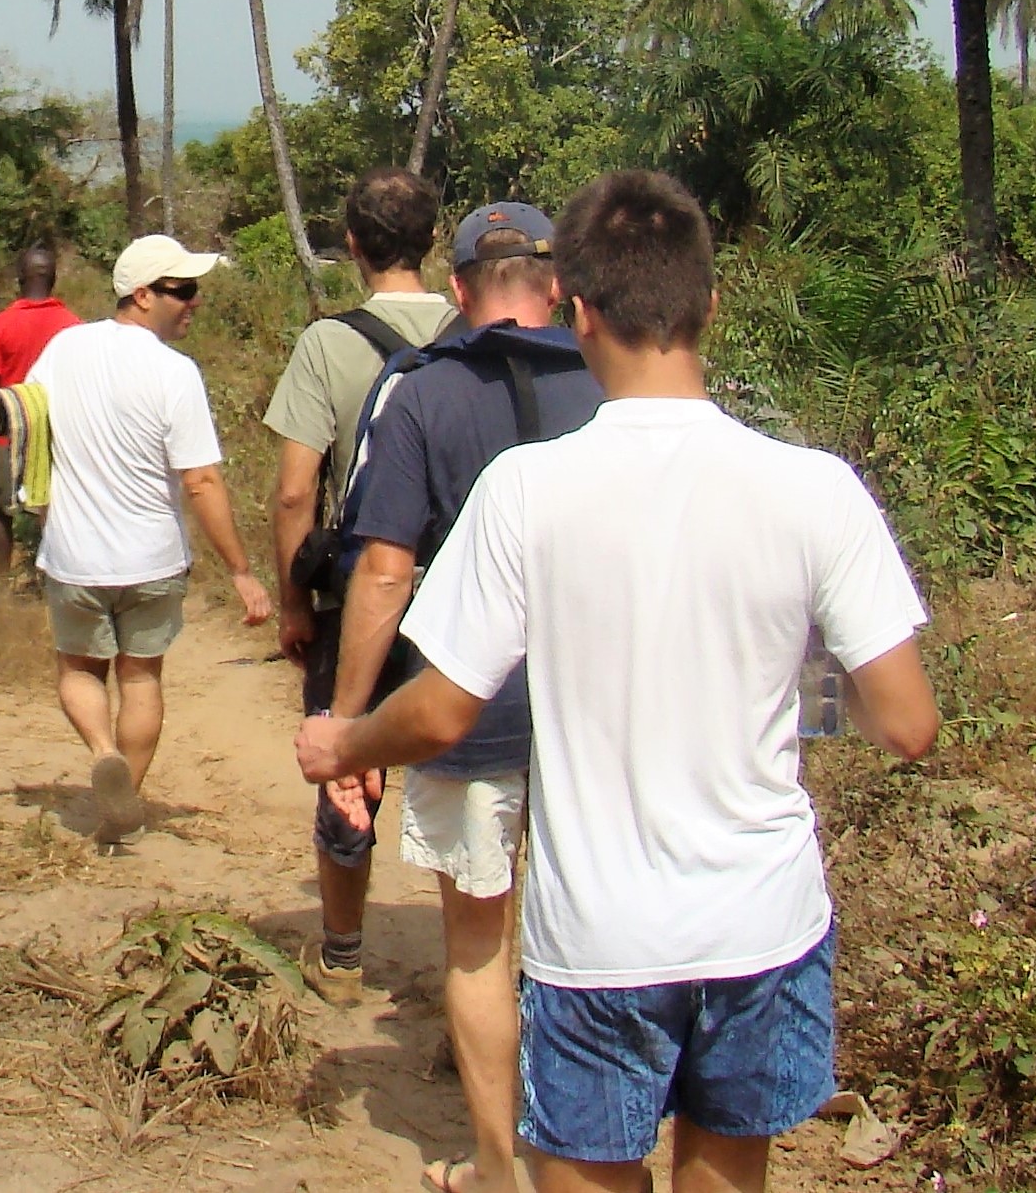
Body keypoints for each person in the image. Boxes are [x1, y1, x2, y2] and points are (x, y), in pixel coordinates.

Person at [295, 171, 940, 1193]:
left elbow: (447, 708)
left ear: (581, 310)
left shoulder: (527, 493)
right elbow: (906, 722)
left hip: (602, 940)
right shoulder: (817, 490)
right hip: (762, 924)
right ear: (710, 306)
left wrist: (347, 740)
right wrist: (795, 679)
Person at [325, 202, 603, 1193]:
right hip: (602, 710)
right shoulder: (619, 376)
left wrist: (352, 725)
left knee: (479, 944)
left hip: (466, 703)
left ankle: (498, 1165)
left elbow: (384, 572)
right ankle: (597, 1144)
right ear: (559, 283)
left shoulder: (421, 395)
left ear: (456, 290)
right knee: (596, 935)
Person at [263, 166, 458, 998]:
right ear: (432, 241)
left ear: (351, 245)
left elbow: (295, 489)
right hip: (461, 598)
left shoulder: (327, 343)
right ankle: (476, 968)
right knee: (472, 781)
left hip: (358, 596)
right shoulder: (472, 333)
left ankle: (342, 950)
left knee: (347, 759)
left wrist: (294, 602)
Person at [29, 233, 273, 843]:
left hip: (74, 556)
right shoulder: (175, 372)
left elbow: (29, 417)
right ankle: (122, 806)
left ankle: (102, 750)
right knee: (141, 679)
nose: (194, 302)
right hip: (153, 559)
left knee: (80, 670)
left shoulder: (64, 347)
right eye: (182, 290)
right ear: (142, 295)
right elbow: (201, 480)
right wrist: (241, 570)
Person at [0, 245, 81, 573]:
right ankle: (56, 579)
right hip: (58, 433)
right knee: (57, 511)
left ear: (18, 278)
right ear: (53, 278)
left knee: (0, 512)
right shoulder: (74, 327)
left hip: (4, 436)